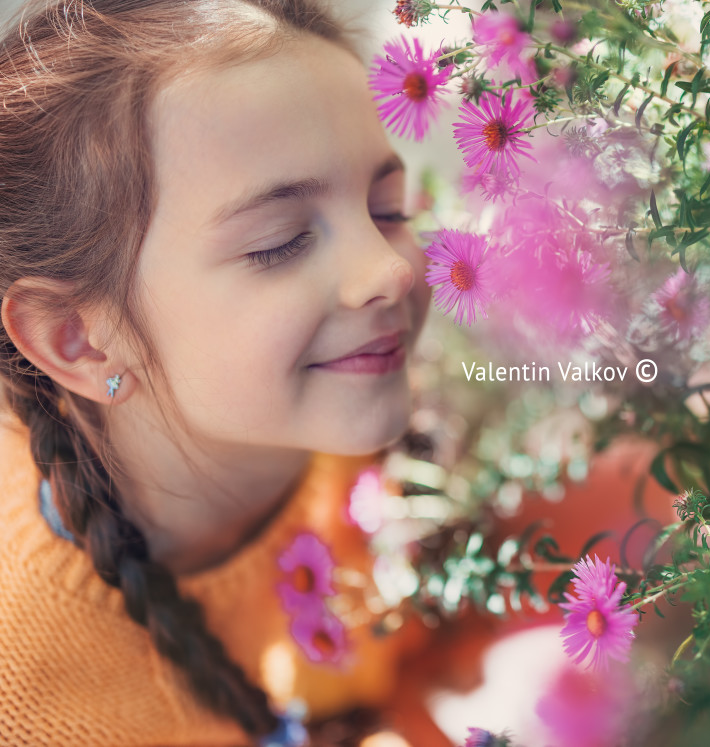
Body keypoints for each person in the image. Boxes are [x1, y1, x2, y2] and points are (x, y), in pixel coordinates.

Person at [0, 0, 439, 743]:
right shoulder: (31, 697)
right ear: (78, 340)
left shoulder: (368, 427)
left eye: (387, 207)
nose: (389, 269)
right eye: (279, 242)